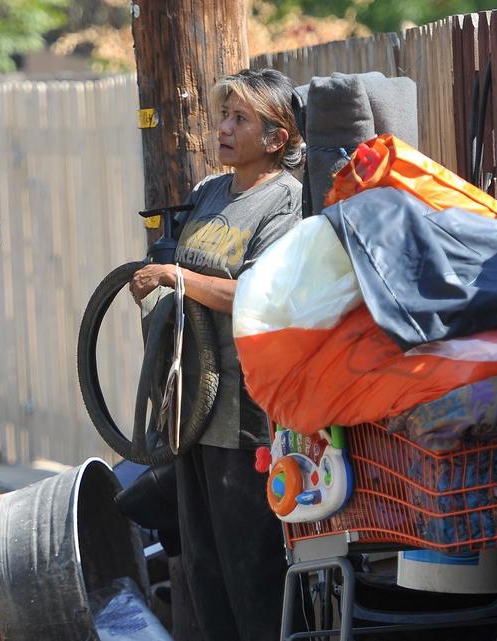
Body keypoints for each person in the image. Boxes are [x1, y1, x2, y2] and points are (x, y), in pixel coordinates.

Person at [129, 68, 304, 641]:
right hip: (192, 409)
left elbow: (258, 295)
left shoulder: (285, 203)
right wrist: (156, 278)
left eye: (240, 119)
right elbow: (183, 269)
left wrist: (175, 275)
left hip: (246, 413)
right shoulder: (210, 192)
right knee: (202, 567)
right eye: (224, 115)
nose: (223, 128)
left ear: (277, 138)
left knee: (249, 569)